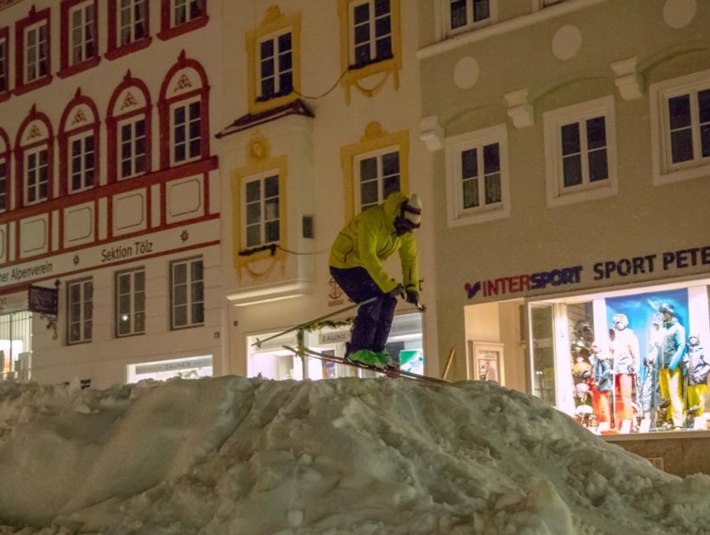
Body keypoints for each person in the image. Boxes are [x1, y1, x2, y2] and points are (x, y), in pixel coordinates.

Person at [329, 191, 422, 368]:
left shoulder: (406, 233)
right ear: (398, 216)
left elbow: (410, 259)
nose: (404, 232)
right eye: (404, 226)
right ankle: (358, 349)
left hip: (362, 266)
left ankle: (377, 348)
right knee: (372, 298)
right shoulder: (372, 220)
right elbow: (367, 255)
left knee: (389, 300)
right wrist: (388, 284)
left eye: (410, 229)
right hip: (343, 263)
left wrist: (412, 287)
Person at [658, 303, 687, 430]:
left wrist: (673, 363)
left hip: (672, 367)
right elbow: (658, 347)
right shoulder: (663, 329)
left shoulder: (678, 328)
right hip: (662, 366)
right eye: (662, 313)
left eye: (664, 313)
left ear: (670, 313)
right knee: (665, 395)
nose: (663, 315)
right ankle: (669, 420)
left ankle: (678, 422)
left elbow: (681, 346)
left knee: (674, 393)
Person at [609, 313, 640, 429]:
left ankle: (629, 422)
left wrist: (635, 365)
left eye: (621, 321)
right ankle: (619, 422)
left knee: (625, 395)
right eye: (617, 322)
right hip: (615, 369)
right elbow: (610, 351)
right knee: (616, 396)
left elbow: (635, 352)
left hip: (625, 368)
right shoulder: (613, 336)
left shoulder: (630, 335)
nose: (619, 324)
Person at [686, 335, 709, 425]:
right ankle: (694, 421)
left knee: (700, 400)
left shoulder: (702, 350)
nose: (692, 340)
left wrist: (700, 375)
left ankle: (700, 420)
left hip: (700, 380)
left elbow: (708, 364)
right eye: (690, 338)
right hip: (690, 380)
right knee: (692, 401)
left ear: (698, 339)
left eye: (694, 337)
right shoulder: (688, 351)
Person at [589, 341, 612, 425]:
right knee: (597, 406)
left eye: (595, 346)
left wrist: (599, 381)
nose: (593, 348)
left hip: (602, 385)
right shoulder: (593, 358)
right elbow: (592, 371)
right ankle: (600, 423)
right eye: (593, 346)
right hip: (595, 385)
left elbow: (607, 370)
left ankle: (606, 424)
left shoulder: (602, 358)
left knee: (604, 406)